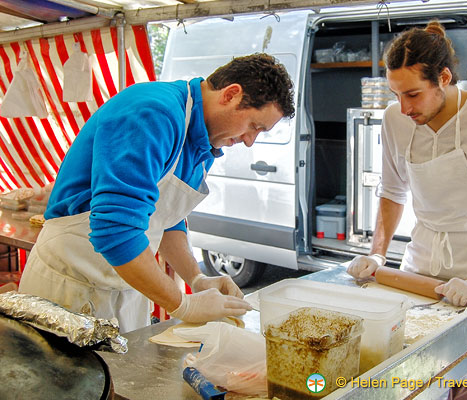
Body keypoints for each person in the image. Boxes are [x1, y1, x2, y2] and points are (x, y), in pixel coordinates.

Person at [19, 53, 295, 333]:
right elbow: (115, 230)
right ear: (231, 94)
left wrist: (198, 279)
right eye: (254, 126)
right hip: (69, 289)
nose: (250, 141)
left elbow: (164, 218)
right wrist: (185, 305)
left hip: (126, 292)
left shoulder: (205, 142)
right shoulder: (152, 113)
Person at [346, 22, 467, 399]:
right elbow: (392, 191)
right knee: (412, 376)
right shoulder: (394, 118)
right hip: (419, 259)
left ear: (444, 78)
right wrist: (377, 253)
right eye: (396, 94)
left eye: (413, 94)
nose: (403, 107)